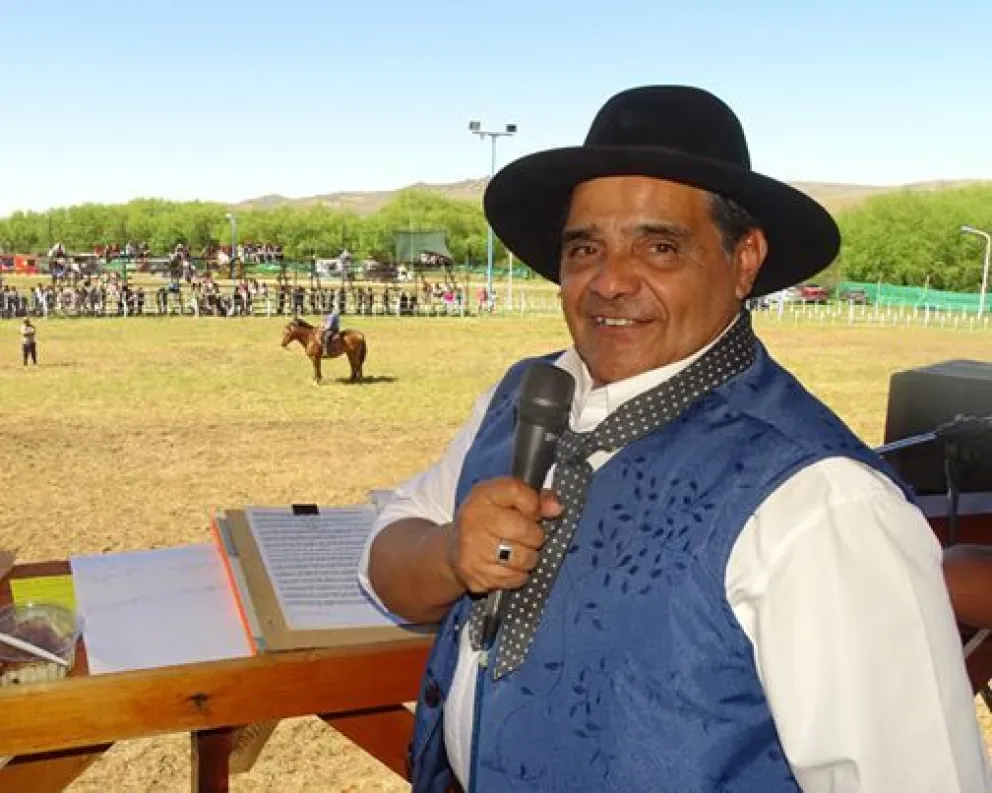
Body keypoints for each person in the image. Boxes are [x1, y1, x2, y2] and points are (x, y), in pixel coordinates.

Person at [360, 86, 992, 792]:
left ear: (744, 258)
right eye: (585, 247)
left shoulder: (822, 502)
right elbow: (390, 545)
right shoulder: (525, 395)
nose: (609, 281)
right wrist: (449, 553)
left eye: (659, 247)